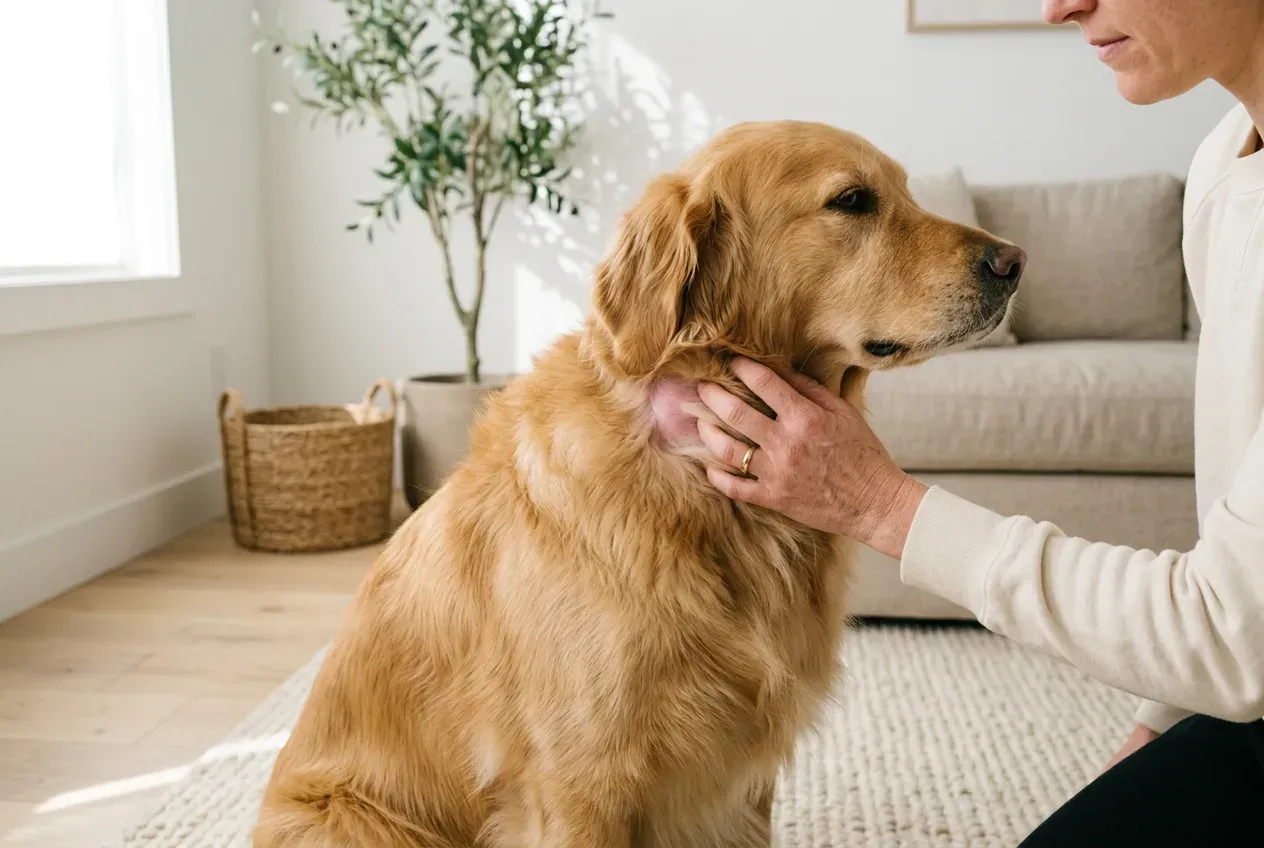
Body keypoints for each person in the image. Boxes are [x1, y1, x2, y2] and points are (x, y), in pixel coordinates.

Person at [691, 1, 1264, 844]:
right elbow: (1242, 570)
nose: (1059, 6)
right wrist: (1163, 721)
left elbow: (1241, 643)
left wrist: (883, 506)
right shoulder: (1225, 163)